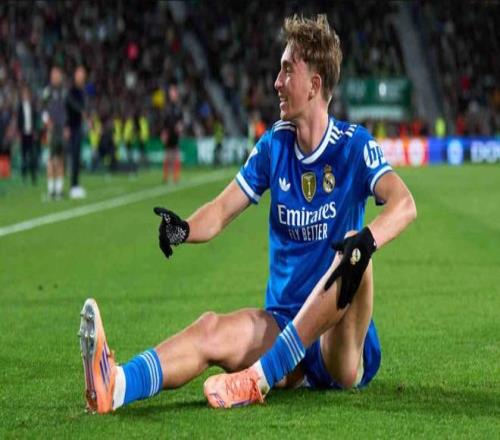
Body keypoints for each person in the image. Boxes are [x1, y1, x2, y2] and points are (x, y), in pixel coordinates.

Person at [79, 14, 417, 413]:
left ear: (314, 85)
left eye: (287, 70)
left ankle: (258, 377)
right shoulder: (275, 145)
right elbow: (221, 210)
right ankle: (116, 385)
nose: (276, 82)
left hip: (337, 344)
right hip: (283, 325)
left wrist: (366, 240)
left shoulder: (354, 145)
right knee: (210, 328)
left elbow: (404, 203)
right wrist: (183, 229)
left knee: (355, 252)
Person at [42, 66, 67, 200]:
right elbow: (43, 108)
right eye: (53, 75)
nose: (55, 77)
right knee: (51, 159)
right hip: (51, 130)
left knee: (60, 158)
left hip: (62, 129)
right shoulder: (47, 91)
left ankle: (59, 190)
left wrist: (67, 126)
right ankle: (51, 191)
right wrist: (47, 122)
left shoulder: (64, 91)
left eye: (57, 75)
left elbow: (67, 111)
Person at [66, 65, 87, 199]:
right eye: (79, 74)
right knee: (73, 156)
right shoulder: (72, 90)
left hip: (78, 126)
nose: (81, 77)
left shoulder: (81, 90)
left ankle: (76, 184)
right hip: (72, 127)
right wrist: (81, 111)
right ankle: (73, 186)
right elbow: (70, 104)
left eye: (83, 74)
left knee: (77, 156)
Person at [16, 85, 38, 184]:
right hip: (23, 134)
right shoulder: (20, 107)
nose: (25, 95)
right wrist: (19, 133)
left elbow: (35, 119)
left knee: (32, 156)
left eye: (26, 93)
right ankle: (24, 176)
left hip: (31, 134)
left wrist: (35, 131)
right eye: (24, 94)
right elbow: (18, 121)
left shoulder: (32, 106)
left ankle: (33, 177)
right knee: (24, 156)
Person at [161, 84, 183, 183]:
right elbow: (164, 122)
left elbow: (181, 121)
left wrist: (180, 126)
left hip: (175, 134)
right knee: (167, 156)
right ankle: (166, 177)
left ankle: (175, 177)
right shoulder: (167, 107)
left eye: (174, 93)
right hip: (169, 134)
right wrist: (164, 133)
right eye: (171, 93)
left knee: (175, 155)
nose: (172, 95)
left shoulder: (178, 107)